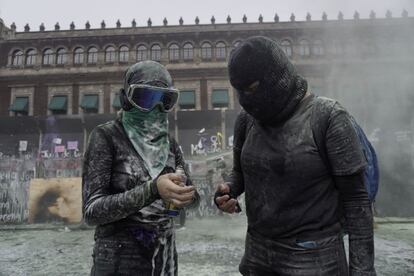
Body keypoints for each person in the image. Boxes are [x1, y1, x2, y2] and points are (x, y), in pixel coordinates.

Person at [215, 36, 376, 276]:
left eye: (252, 88)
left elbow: (357, 201)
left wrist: (363, 271)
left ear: (276, 77)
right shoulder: (246, 121)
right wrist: (228, 190)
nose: (246, 99)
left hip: (314, 258)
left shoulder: (328, 117)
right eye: (239, 90)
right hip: (257, 253)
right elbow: (240, 172)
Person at [82, 61, 199, 276]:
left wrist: (184, 196)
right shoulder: (107, 137)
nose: (156, 108)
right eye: (145, 98)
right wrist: (153, 189)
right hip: (118, 261)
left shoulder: (170, 144)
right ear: (126, 99)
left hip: (165, 260)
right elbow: (92, 211)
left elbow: (191, 201)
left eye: (165, 100)